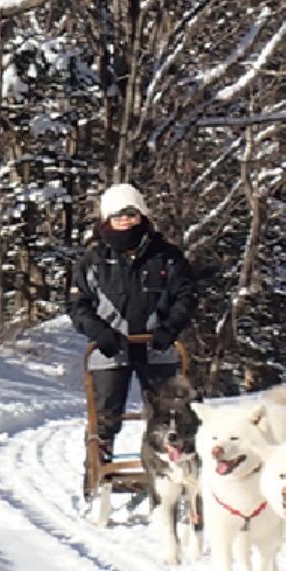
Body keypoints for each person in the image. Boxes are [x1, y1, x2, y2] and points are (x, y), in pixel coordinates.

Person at [68, 182, 196, 465]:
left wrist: (169, 328)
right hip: (111, 349)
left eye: (131, 213)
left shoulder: (167, 256)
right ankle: (99, 465)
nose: (125, 221)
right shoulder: (93, 261)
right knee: (105, 415)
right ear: (107, 220)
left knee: (171, 412)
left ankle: (168, 463)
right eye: (118, 216)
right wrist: (99, 333)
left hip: (158, 346)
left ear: (142, 215)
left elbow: (186, 296)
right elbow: (78, 305)